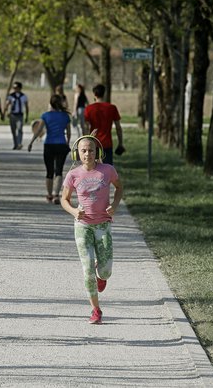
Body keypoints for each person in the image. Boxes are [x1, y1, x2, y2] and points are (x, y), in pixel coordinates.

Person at [60, 135, 123, 324]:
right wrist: (73, 211)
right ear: (77, 153)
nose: (87, 154)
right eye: (83, 150)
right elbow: (64, 199)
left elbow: (119, 188)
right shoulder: (73, 175)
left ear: (98, 152)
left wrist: (115, 204)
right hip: (83, 226)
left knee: (105, 272)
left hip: (103, 224)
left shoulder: (107, 170)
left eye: (91, 150)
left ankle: (101, 274)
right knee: (86, 269)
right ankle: (96, 310)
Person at [27, 94, 71, 204]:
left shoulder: (45, 116)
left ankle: (49, 195)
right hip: (61, 144)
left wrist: (31, 142)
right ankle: (57, 195)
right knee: (59, 170)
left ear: (50, 103)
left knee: (49, 171)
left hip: (49, 145)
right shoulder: (65, 116)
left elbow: (38, 131)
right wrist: (67, 142)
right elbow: (68, 133)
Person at [83, 84, 124, 165]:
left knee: (93, 171)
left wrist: (85, 142)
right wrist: (120, 143)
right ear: (104, 94)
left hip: (93, 143)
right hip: (107, 143)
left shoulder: (89, 109)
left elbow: (86, 127)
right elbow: (118, 127)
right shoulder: (112, 108)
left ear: (94, 94)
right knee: (107, 171)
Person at [4, 81, 29, 150]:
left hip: (20, 115)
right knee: (13, 130)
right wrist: (4, 112)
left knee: (20, 129)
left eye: (16, 88)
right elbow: (7, 104)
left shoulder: (24, 96)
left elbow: (26, 106)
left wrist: (27, 115)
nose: (15, 89)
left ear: (20, 88)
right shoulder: (11, 96)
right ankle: (15, 144)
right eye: (14, 88)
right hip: (12, 115)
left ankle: (19, 143)